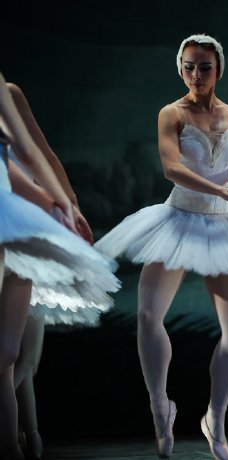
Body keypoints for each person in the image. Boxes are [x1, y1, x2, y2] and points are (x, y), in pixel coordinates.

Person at [94, 34, 228, 460]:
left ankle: (215, 420)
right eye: (188, 67)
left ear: (218, 69)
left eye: (204, 67)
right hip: (179, 219)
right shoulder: (172, 114)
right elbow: (171, 168)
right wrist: (222, 191)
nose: (196, 75)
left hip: (224, 225)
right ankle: (160, 408)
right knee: (148, 315)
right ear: (180, 68)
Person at [0, 73, 120, 460]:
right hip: (24, 217)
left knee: (18, 357)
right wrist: (58, 206)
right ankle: (25, 438)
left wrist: (66, 207)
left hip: (25, 224)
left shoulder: (8, 93)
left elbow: (37, 155)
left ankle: (28, 438)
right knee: (11, 357)